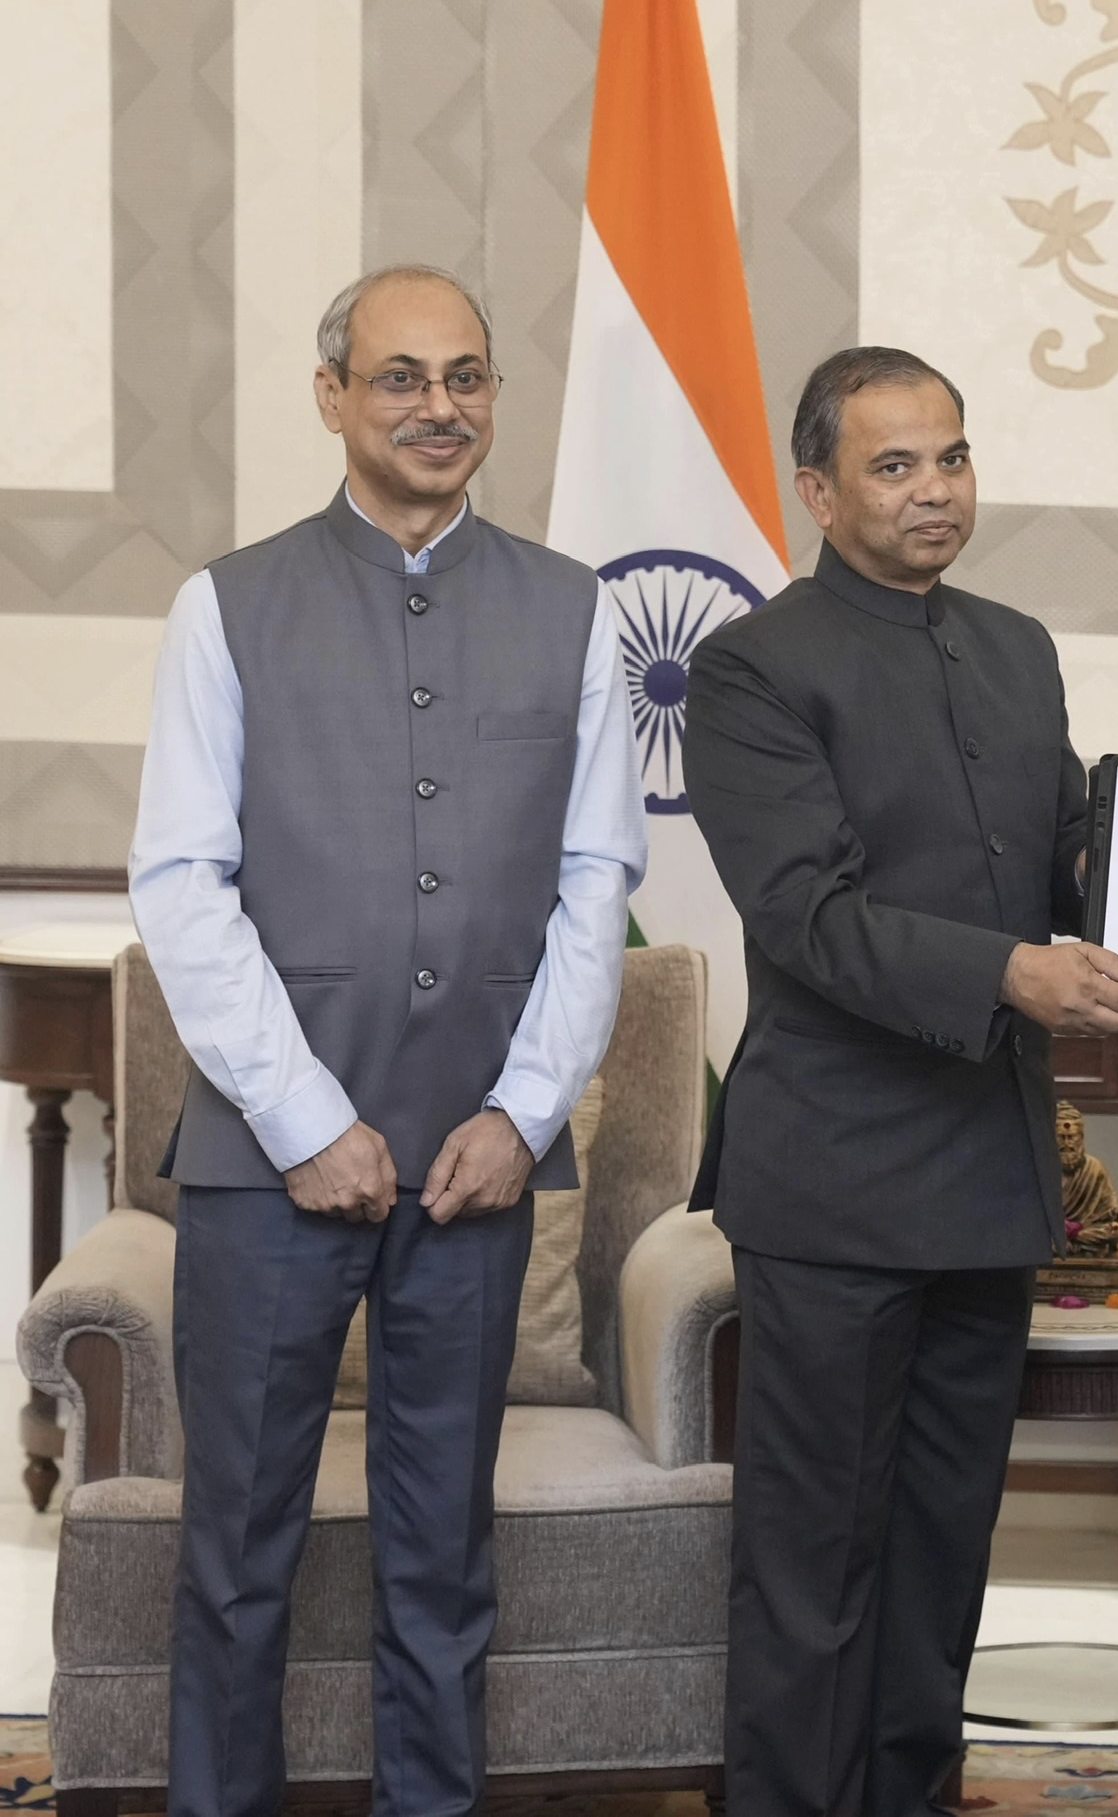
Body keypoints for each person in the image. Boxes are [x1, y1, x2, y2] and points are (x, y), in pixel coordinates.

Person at [129, 263, 648, 1817]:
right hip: (264, 1170)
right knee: (237, 1555)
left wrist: (524, 1109)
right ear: (333, 394)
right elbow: (180, 882)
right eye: (403, 377)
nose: (440, 406)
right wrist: (300, 1118)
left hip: (477, 1166)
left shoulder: (577, 608)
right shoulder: (226, 604)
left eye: (469, 377)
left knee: (442, 1556)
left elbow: (593, 884)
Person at [682, 346, 1118, 1817]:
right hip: (830, 1180)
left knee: (942, 1550)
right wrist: (1009, 973)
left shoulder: (1016, 645)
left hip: (984, 1171)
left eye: (950, 456)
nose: (934, 489)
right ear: (818, 490)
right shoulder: (753, 666)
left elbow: (1067, 849)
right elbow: (805, 917)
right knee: (814, 1556)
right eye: (894, 466)